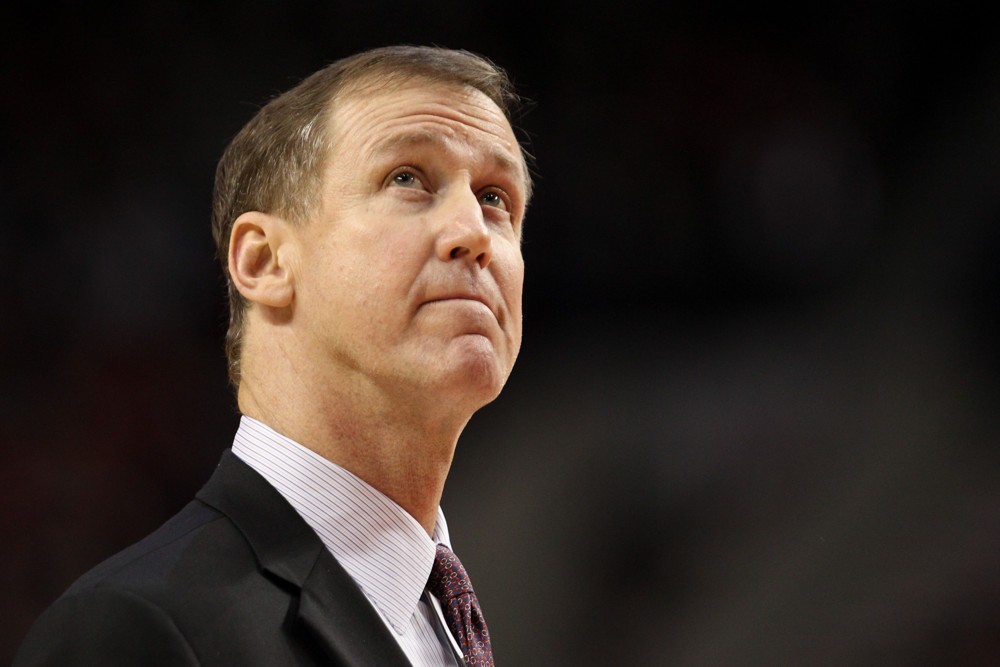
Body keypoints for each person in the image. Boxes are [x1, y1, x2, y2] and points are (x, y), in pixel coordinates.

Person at [14, 45, 532, 666]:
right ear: (263, 261)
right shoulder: (132, 629)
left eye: (497, 197)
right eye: (407, 178)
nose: (475, 231)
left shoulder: (446, 622)